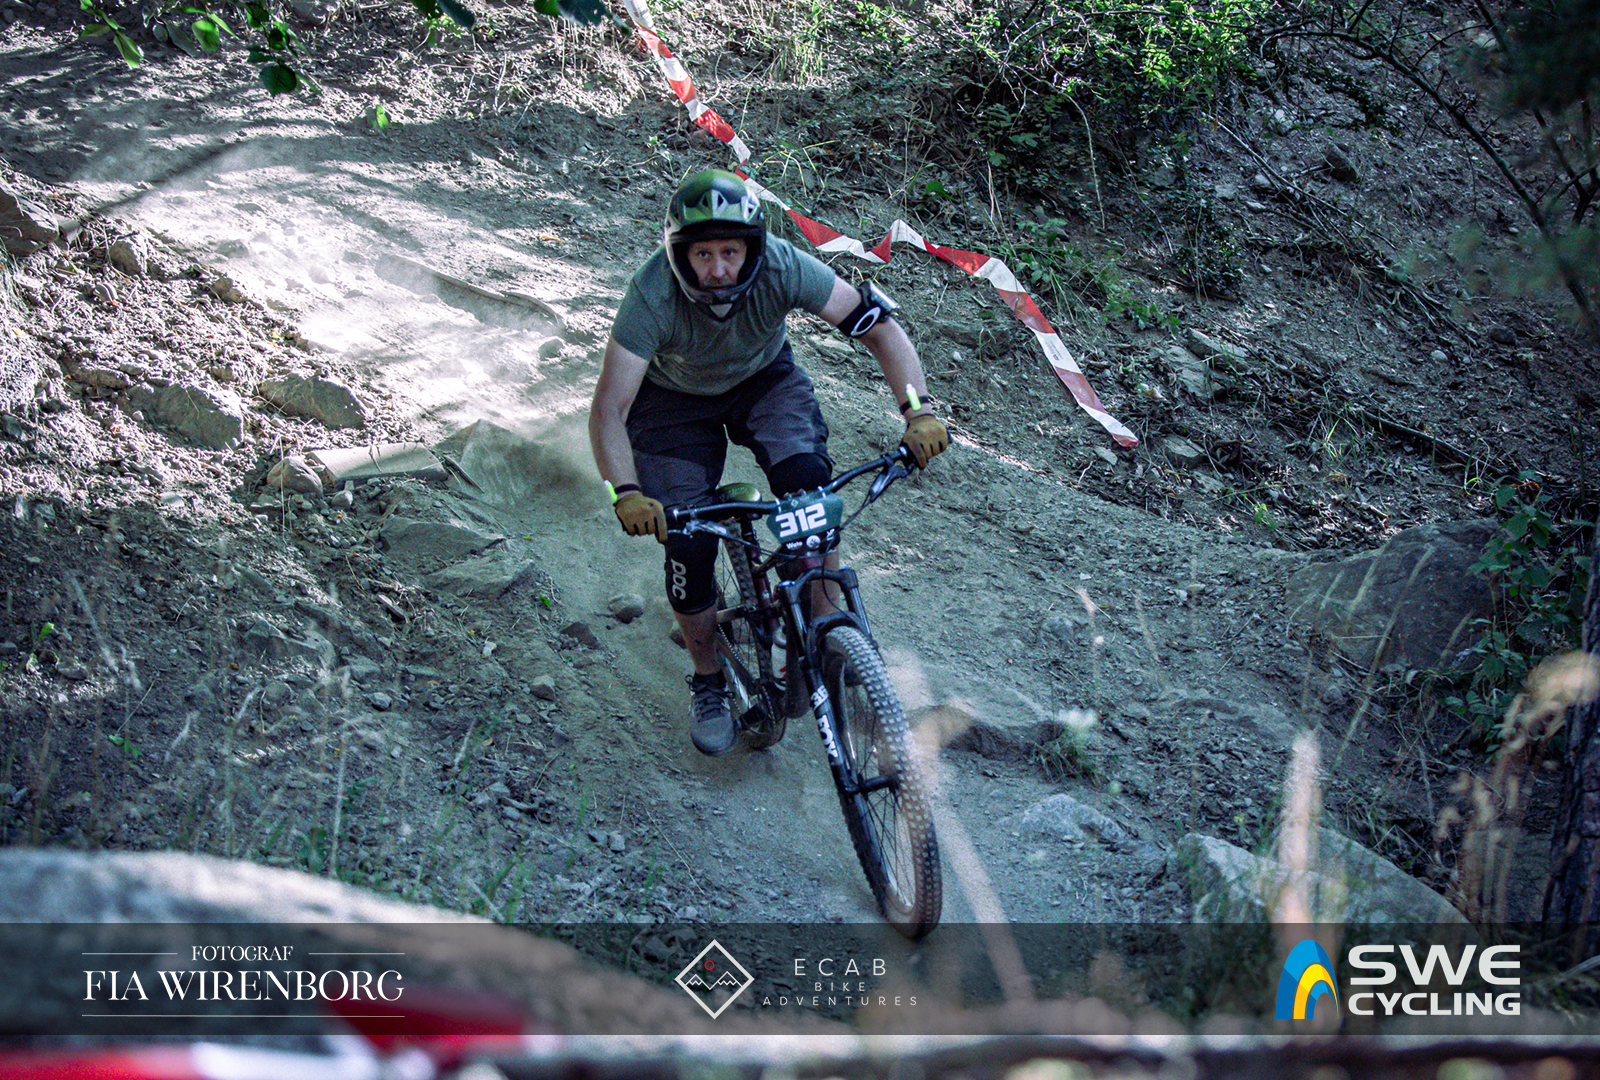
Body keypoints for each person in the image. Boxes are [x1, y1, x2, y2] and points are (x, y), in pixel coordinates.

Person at [588, 169, 949, 756]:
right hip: (671, 404)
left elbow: (879, 327)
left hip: (763, 381)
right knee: (689, 544)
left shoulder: (784, 266)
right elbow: (609, 407)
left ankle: (826, 627)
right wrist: (624, 491)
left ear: (753, 248)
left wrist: (918, 411)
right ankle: (708, 679)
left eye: (730, 252)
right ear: (678, 254)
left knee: (810, 488)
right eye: (703, 254)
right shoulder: (651, 293)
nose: (718, 269)